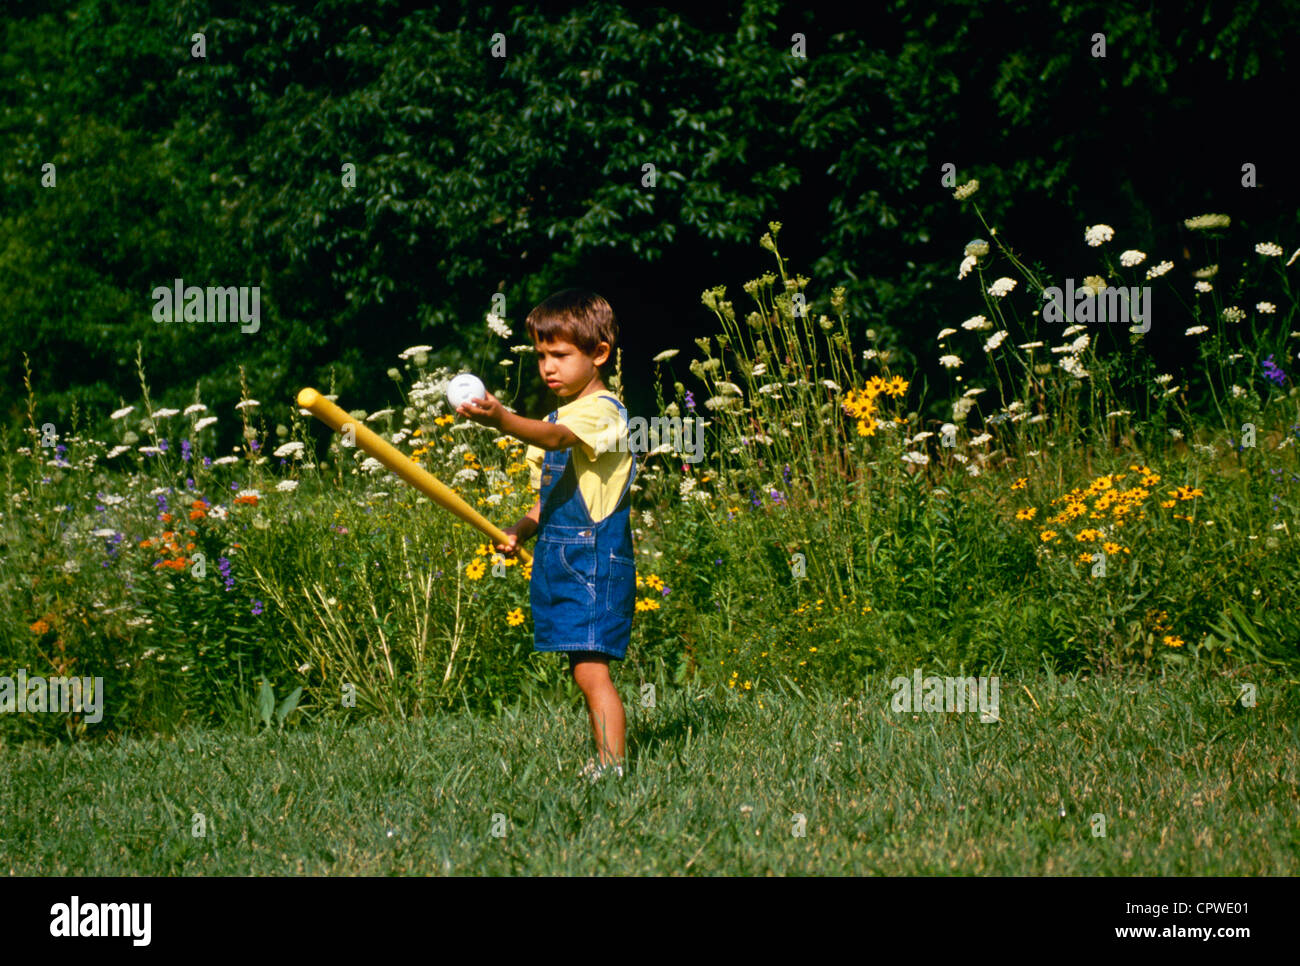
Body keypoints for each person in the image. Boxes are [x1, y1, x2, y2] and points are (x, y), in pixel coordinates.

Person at [456, 289, 636, 782]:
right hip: (563, 558)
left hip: (595, 559)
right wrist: (523, 526)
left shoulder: (603, 411)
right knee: (582, 667)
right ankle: (607, 758)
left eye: (560, 355)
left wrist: (501, 420)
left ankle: (611, 765)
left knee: (591, 670)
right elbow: (554, 493)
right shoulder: (559, 415)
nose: (548, 367)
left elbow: (554, 440)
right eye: (540, 355)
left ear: (599, 354)